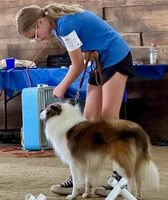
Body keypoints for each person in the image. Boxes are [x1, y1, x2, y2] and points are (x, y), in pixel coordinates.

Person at [16, 3, 135, 197]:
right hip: (99, 60)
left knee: (109, 118)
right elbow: (83, 52)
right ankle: (78, 178)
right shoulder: (58, 29)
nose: (37, 40)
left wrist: (62, 86)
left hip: (116, 57)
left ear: (40, 22)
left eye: (35, 35)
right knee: (88, 119)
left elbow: (77, 65)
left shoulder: (64, 25)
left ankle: (120, 177)